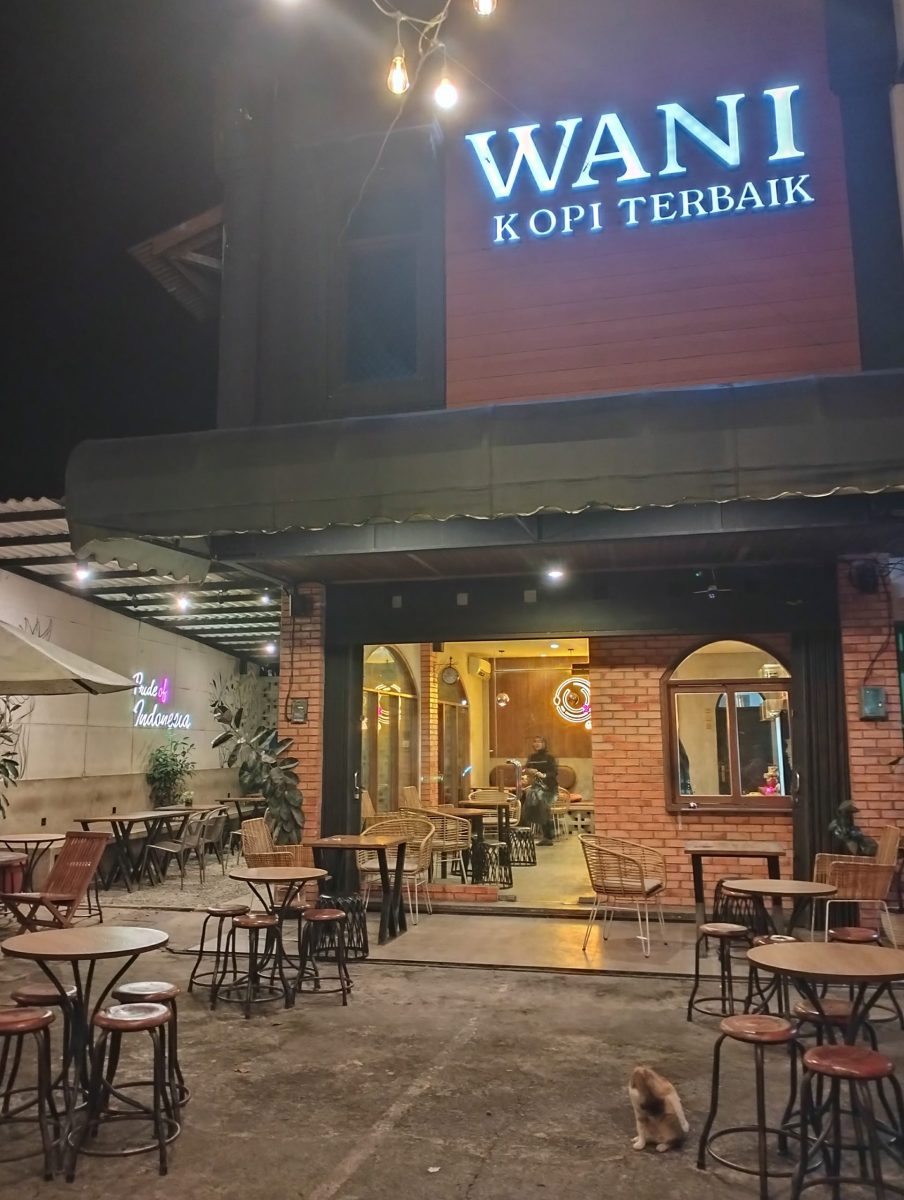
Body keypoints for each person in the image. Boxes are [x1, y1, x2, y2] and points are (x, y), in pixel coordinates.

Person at [522, 735, 558, 845]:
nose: (537, 743)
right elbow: (525, 769)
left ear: (544, 744)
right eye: (535, 741)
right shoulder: (532, 757)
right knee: (524, 803)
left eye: (540, 741)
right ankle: (525, 833)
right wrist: (528, 771)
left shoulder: (550, 758)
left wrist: (543, 775)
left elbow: (554, 773)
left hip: (549, 788)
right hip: (536, 787)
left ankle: (548, 837)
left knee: (543, 807)